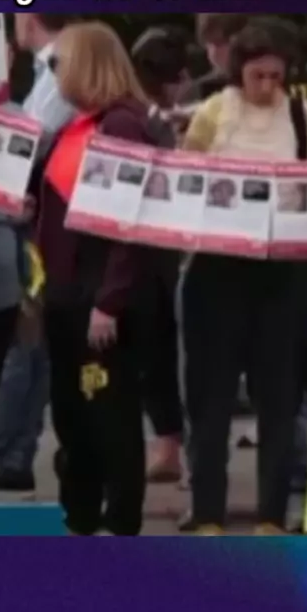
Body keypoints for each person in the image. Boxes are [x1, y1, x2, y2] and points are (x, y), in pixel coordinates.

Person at [33, 20, 169, 535]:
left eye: (59, 63)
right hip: (69, 292)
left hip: (100, 299)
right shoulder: (82, 126)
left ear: (85, 65)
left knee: (107, 414)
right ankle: (83, 515)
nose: (54, 73)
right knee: (75, 414)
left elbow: (126, 222)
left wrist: (109, 302)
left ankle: (118, 522)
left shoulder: (120, 126)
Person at [180, 18, 307, 535]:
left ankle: (271, 515)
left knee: (279, 398)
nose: (267, 86)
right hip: (217, 268)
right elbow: (186, 175)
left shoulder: (300, 115)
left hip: (281, 273)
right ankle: (208, 511)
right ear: (240, 71)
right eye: (258, 76)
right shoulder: (214, 112)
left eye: (277, 76)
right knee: (210, 398)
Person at [0, 14, 77, 497]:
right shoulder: (51, 70)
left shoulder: (61, 68)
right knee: (31, 344)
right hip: (39, 217)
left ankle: (3, 452)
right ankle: (13, 454)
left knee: (22, 342)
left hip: (35, 220)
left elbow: (30, 140)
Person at [130, 28, 187, 485]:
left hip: (157, 247)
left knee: (161, 353)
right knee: (163, 352)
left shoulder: (145, 118)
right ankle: (169, 446)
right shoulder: (148, 120)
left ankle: (169, 446)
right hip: (160, 247)